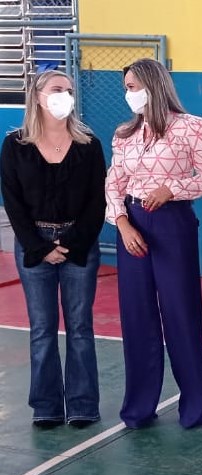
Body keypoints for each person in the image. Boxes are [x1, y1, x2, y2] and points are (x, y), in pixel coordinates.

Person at [105, 58, 202, 429]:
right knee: (137, 315)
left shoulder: (191, 127)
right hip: (132, 226)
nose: (129, 94)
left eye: (133, 87)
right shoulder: (124, 134)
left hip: (173, 223)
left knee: (181, 313)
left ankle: (194, 407)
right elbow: (113, 183)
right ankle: (139, 408)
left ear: (154, 86)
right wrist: (122, 223)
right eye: (126, 88)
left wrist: (172, 188)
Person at [1, 69, 106, 429]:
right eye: (58, 89)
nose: (66, 96)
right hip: (34, 248)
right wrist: (40, 247)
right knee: (42, 329)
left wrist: (71, 244)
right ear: (38, 96)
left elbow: (97, 202)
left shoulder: (89, 145)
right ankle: (45, 406)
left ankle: (83, 405)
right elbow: (13, 203)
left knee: (80, 327)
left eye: (70, 91)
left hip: (80, 246)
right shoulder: (15, 145)